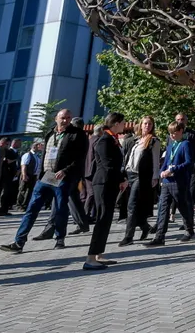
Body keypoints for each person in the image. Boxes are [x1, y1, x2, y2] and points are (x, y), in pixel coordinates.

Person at [0, 109, 88, 252]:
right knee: (31, 208)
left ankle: (60, 239)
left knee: (60, 209)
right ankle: (19, 242)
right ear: (56, 119)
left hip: (62, 177)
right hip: (46, 177)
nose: (65, 120)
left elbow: (80, 158)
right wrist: (40, 173)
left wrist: (65, 170)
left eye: (68, 118)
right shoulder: (50, 133)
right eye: (62, 118)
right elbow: (46, 153)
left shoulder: (77, 134)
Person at [84, 112, 128, 271]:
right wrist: (121, 179)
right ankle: (90, 258)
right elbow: (108, 164)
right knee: (102, 218)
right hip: (103, 183)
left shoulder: (112, 139)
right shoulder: (104, 140)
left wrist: (121, 178)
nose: (124, 125)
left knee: (107, 218)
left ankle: (98, 254)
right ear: (116, 123)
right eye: (123, 122)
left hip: (110, 182)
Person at [145, 121, 195, 246]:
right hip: (167, 181)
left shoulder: (186, 144)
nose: (172, 135)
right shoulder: (170, 146)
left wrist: (173, 169)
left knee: (182, 207)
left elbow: (189, 162)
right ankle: (159, 236)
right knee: (163, 208)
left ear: (181, 131)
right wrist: (161, 173)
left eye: (174, 133)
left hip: (178, 181)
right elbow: (166, 162)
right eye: (170, 133)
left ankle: (189, 230)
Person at [119, 116, 162, 246]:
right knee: (133, 205)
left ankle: (128, 236)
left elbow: (156, 160)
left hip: (141, 176)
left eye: (150, 124)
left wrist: (155, 177)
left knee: (132, 205)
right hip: (129, 174)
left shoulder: (154, 141)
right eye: (145, 123)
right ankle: (145, 226)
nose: (147, 126)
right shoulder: (135, 140)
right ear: (141, 125)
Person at [18, 141, 43, 210]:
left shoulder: (37, 156)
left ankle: (26, 205)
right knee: (23, 190)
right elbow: (24, 165)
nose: (40, 148)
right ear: (34, 147)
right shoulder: (27, 155)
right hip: (27, 174)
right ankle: (20, 205)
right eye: (38, 146)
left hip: (33, 176)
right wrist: (24, 175)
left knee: (29, 191)